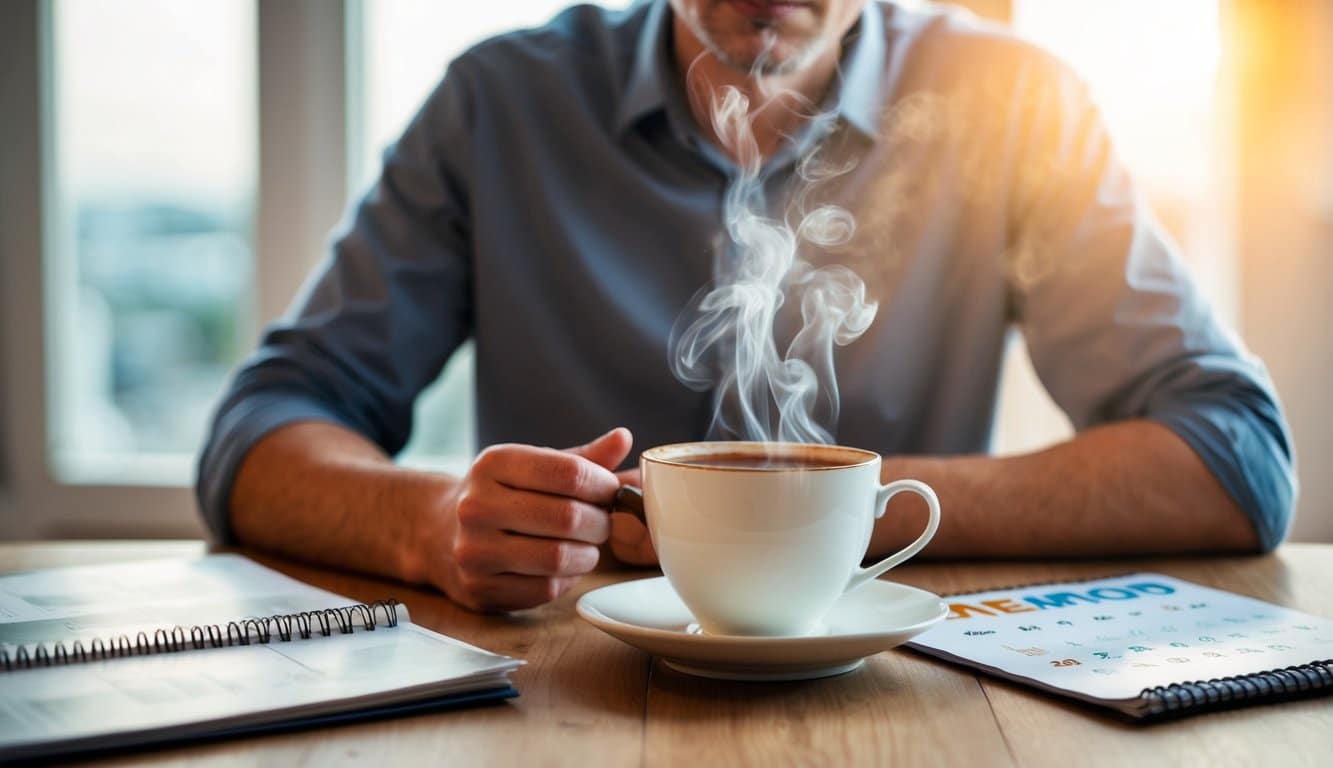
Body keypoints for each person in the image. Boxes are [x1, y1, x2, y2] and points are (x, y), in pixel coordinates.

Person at [197, 0, 1295, 612]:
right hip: (554, 694)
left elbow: (1234, 458)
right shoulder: (502, 101)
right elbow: (260, 434)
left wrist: (838, 516)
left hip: (904, 697)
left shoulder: (1015, 104)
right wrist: (429, 523)